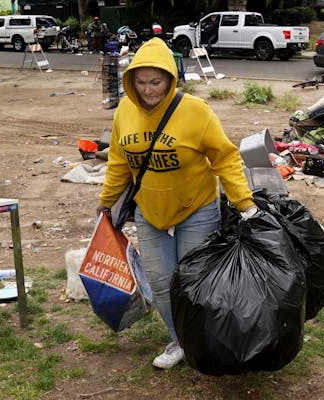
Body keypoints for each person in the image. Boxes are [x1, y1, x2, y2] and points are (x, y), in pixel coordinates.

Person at [96, 38, 257, 370]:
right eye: (140, 82)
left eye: (156, 81)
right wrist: (106, 202)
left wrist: (245, 203)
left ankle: (207, 340)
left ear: (170, 78)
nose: (148, 90)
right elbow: (118, 163)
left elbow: (225, 158)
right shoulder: (125, 111)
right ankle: (179, 340)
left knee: (195, 282)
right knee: (160, 282)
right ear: (131, 81)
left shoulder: (195, 111)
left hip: (196, 208)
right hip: (149, 211)